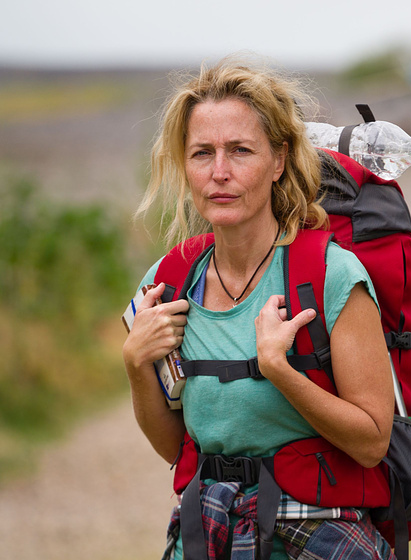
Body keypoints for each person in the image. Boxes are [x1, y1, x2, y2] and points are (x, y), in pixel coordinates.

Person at [122, 58, 396, 559]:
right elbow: (174, 449)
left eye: (240, 151)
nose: (219, 173)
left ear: (278, 160)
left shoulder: (333, 277)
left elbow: (373, 442)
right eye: (202, 153)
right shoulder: (168, 281)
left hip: (315, 536)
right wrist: (137, 365)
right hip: (209, 530)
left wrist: (280, 370)